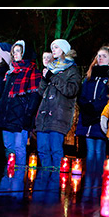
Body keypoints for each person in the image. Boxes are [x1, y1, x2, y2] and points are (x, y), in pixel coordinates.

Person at [35, 38, 81, 171]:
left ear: (64, 50)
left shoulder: (72, 69)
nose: (53, 50)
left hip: (59, 115)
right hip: (44, 116)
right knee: (42, 150)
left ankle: (55, 184)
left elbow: (71, 90)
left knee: (56, 150)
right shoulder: (50, 68)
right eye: (52, 47)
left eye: (56, 47)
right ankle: (43, 183)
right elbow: (41, 92)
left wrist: (53, 77)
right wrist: (45, 78)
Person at [0, 40, 41, 168]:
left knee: (19, 147)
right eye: (13, 51)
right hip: (7, 114)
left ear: (24, 53)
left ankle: (18, 179)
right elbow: (5, 95)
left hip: (21, 116)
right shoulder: (11, 72)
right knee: (8, 147)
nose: (15, 54)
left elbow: (34, 96)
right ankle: (7, 180)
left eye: (18, 51)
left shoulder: (33, 72)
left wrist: (27, 115)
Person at [75, 45, 109, 174]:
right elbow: (82, 95)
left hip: (100, 119)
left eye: (104, 56)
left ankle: (98, 181)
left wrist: (95, 107)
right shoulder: (89, 78)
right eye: (99, 56)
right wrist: (85, 106)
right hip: (87, 118)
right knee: (90, 151)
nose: (101, 58)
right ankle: (89, 181)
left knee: (100, 151)